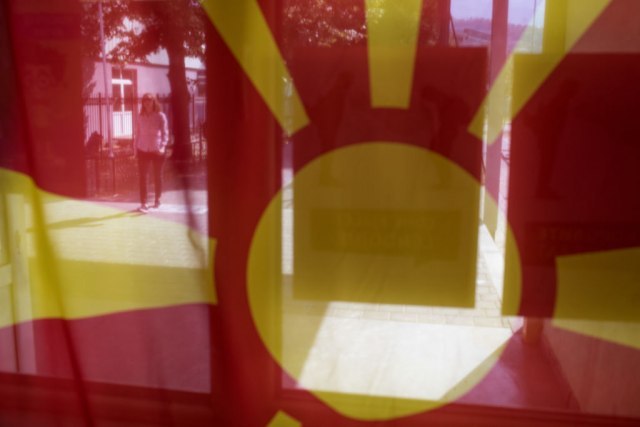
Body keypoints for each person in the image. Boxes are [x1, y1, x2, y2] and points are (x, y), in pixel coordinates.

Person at [135, 93, 169, 212]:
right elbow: (137, 134)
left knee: (157, 176)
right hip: (143, 149)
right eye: (145, 100)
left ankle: (157, 199)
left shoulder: (160, 116)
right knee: (143, 177)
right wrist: (135, 149)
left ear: (154, 102)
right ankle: (143, 203)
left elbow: (165, 133)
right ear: (143, 103)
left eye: (149, 100)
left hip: (157, 149)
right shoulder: (140, 117)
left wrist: (163, 147)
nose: (147, 102)